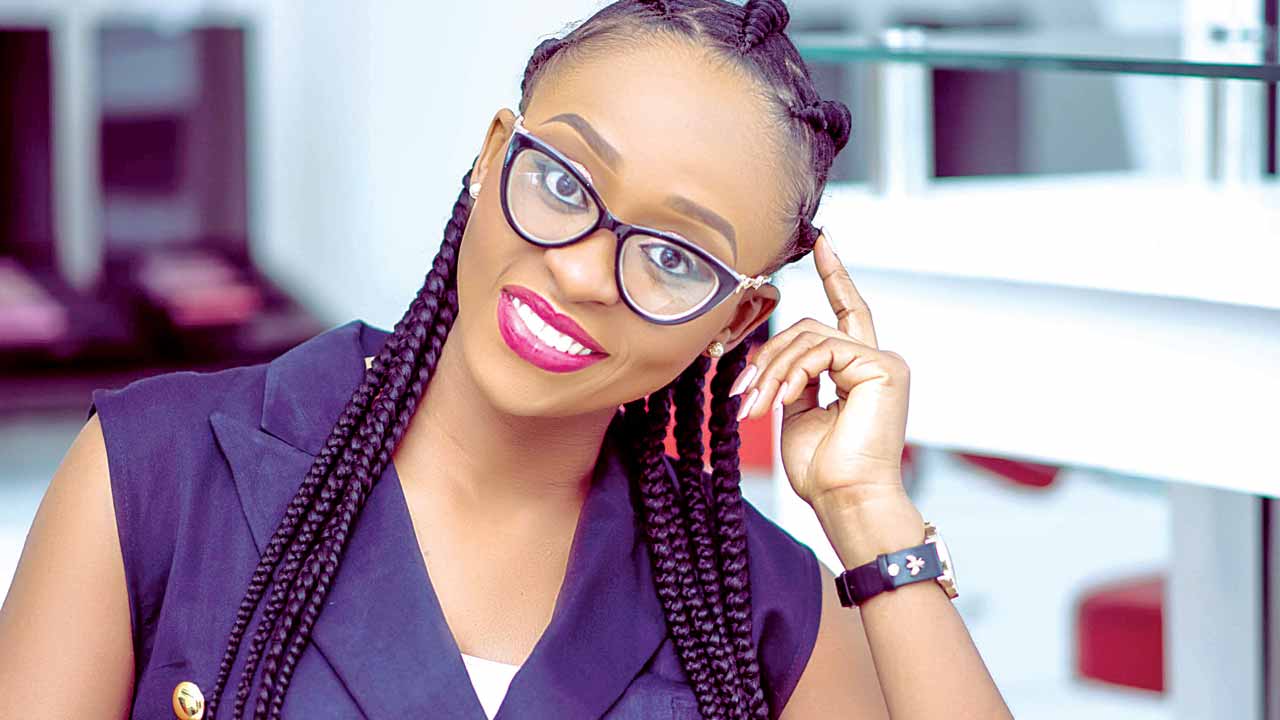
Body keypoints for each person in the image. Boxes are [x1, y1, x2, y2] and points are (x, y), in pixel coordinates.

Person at [0, 0, 1011, 718]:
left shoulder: (758, 603)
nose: (578, 272)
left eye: (672, 257)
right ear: (493, 155)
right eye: (564, 184)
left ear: (734, 318)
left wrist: (870, 513)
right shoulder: (154, 473)